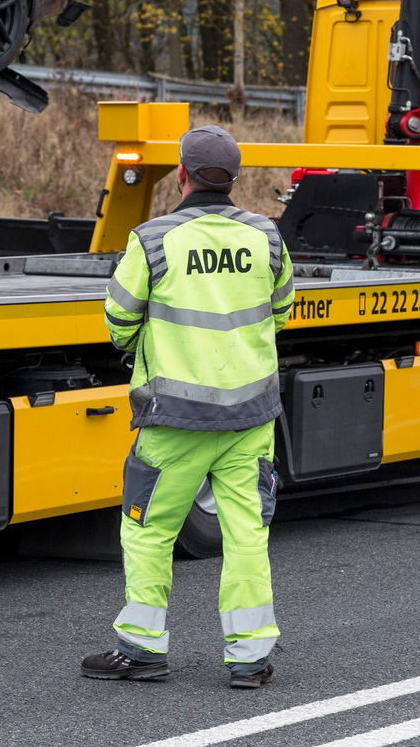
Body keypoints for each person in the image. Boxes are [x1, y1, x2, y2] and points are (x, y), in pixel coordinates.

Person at [81, 124, 295, 689]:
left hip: (174, 419)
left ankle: (143, 650)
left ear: (181, 175)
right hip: (251, 417)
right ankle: (250, 658)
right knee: (247, 533)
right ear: (235, 178)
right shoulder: (266, 238)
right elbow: (281, 311)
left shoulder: (152, 240)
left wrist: (148, 348)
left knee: (149, 530)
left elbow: (120, 319)